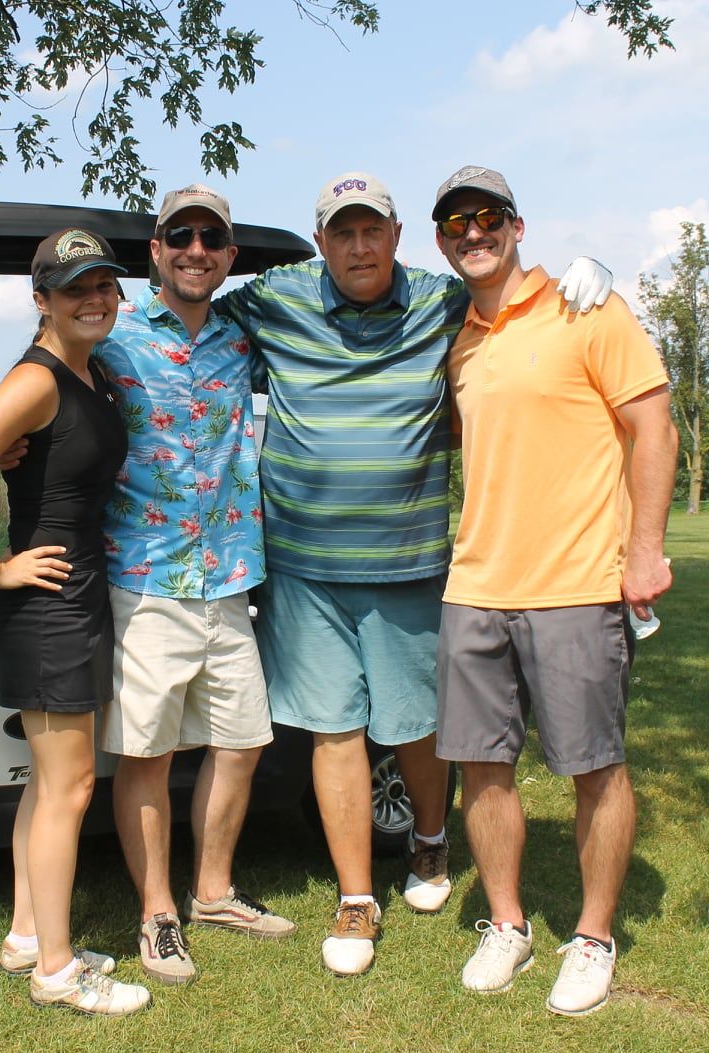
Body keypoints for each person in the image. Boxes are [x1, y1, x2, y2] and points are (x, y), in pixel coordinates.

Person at [215, 172, 614, 977]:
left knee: (416, 724)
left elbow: (511, 300)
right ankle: (356, 896)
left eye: (373, 231)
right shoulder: (274, 299)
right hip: (305, 569)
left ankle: (429, 841)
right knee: (334, 731)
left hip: (408, 562)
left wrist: (588, 276)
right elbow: (184, 322)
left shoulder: (440, 301)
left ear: (398, 238)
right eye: (342, 233)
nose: (359, 247)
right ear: (320, 242)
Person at [429, 165, 678, 1016]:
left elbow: (654, 427)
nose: (473, 232)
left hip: (576, 584)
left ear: (517, 224)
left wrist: (646, 550)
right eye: (455, 223)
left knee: (594, 767)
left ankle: (594, 936)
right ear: (441, 240)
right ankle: (508, 924)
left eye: (487, 217)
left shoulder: (588, 309)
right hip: (474, 585)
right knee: (482, 766)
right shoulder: (458, 339)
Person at [0, 227, 150, 1017]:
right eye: (75, 288)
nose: (94, 299)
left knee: (50, 785)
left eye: (104, 285)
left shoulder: (87, 373)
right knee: (71, 789)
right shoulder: (36, 379)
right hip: (48, 605)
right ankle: (58, 971)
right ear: (42, 300)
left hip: (75, 597)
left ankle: (27, 935)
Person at [97, 184, 295, 987]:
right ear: (156, 250)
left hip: (230, 575)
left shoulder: (244, 334)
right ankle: (158, 914)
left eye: (211, 238)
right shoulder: (110, 330)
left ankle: (212, 894)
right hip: (146, 579)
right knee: (146, 754)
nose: (195, 250)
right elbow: (40, 384)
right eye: (180, 236)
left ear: (229, 255)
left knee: (242, 741)